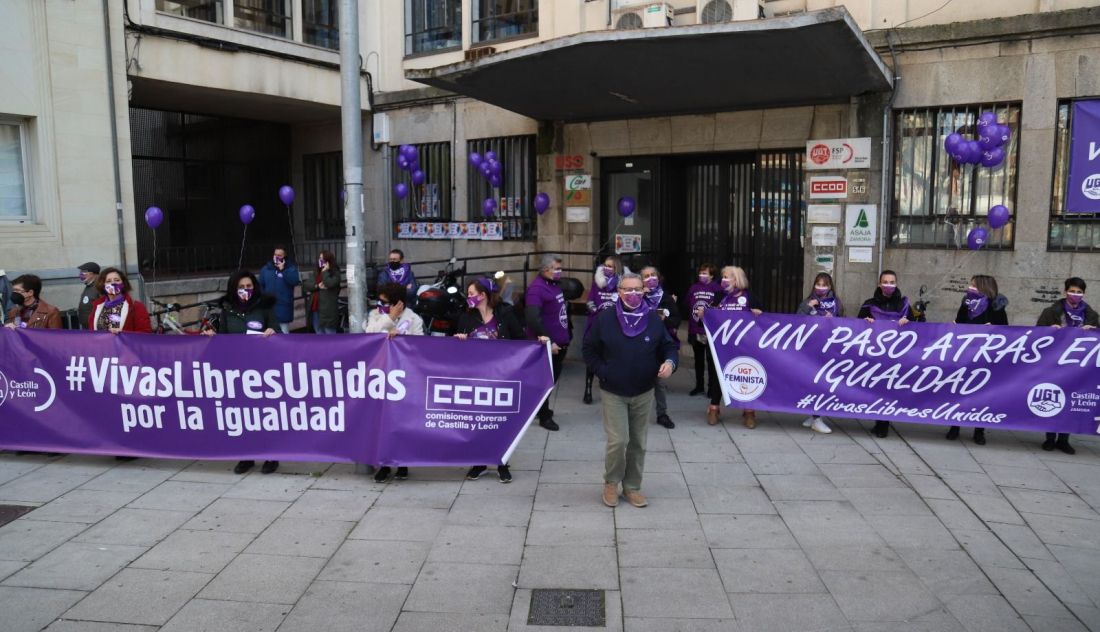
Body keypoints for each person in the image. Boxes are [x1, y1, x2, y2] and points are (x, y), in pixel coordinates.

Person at [583, 273, 677, 508]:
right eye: (628, 289)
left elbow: (668, 346)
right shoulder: (605, 319)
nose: (633, 294)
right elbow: (589, 348)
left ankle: (632, 487)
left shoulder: (653, 320)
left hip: (644, 391)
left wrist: (670, 363)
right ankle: (611, 484)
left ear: (643, 291)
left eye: (638, 289)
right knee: (618, 440)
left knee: (638, 442)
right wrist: (604, 371)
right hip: (613, 391)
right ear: (619, 292)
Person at [456, 277, 533, 484]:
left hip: (502, 378)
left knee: (500, 422)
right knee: (478, 423)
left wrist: (541, 344)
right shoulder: (466, 317)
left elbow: (520, 340)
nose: (469, 297)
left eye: (472, 294)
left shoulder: (505, 313)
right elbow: (454, 346)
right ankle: (479, 462)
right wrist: (460, 339)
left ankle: (502, 462)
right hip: (475, 380)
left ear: (483, 295)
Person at [203, 271, 279, 474]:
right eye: (241, 287)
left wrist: (272, 331)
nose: (246, 290)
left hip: (262, 369)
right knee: (243, 414)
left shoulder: (264, 307)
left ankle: (271, 455)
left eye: (249, 286)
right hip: (238, 370)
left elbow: (276, 329)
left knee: (264, 413)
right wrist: (213, 337)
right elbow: (225, 339)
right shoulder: (228, 311)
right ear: (233, 289)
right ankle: (247, 454)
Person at [365, 282, 425, 482]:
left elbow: (420, 347)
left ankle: (402, 463)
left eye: (385, 302)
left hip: (404, 379)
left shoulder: (413, 319)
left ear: (398, 303)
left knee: (402, 421)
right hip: (381, 377)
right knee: (382, 422)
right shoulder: (377, 315)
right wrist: (389, 318)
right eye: (379, 301)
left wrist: (402, 340)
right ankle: (383, 464)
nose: (380, 304)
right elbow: (368, 334)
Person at [857, 270, 923, 438]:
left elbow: (920, 326)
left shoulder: (904, 305)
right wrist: (866, 322)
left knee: (888, 388)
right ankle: (879, 422)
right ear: (879, 284)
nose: (888, 284)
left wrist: (909, 321)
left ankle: (883, 424)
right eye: (885, 281)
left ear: (896, 283)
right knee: (877, 388)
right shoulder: (869, 304)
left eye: (891, 281)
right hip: (875, 353)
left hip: (896, 355)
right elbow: (856, 325)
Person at [1036, 277, 1098, 455]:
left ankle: (1064, 439)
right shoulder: (1051, 311)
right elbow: (1038, 333)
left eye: (1079, 292)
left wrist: (1091, 330)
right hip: (1055, 363)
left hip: (1079, 365)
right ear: (1065, 291)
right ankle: (1049, 438)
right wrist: (1050, 329)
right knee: (1053, 398)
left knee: (1071, 400)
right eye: (1072, 291)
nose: (1075, 295)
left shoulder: (1091, 315)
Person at [947, 274, 1008, 445]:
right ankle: (954, 426)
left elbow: (1005, 331)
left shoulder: (996, 306)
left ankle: (979, 430)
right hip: (964, 355)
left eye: (973, 285)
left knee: (981, 394)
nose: (970, 288)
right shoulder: (966, 303)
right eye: (970, 285)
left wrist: (993, 329)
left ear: (983, 287)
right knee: (959, 391)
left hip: (984, 357)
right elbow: (959, 322)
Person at [705, 266, 763, 428]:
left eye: (727, 277)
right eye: (722, 276)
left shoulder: (750, 297)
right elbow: (707, 317)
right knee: (718, 375)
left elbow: (764, 320)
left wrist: (759, 314)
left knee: (745, 375)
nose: (723, 280)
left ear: (737, 279)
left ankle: (749, 411)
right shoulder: (718, 297)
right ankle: (714, 408)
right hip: (721, 345)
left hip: (744, 346)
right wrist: (706, 313)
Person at [525, 254, 571, 431]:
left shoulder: (554, 285)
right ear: (545, 270)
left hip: (560, 343)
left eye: (560, 268)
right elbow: (533, 318)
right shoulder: (537, 289)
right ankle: (544, 416)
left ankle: (539, 409)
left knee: (550, 380)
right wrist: (548, 342)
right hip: (548, 346)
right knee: (545, 381)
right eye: (556, 268)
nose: (559, 272)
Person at [796, 273, 842, 434]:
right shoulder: (807, 301)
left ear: (830, 287)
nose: (821, 287)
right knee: (812, 382)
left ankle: (817, 416)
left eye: (825, 284)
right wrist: (810, 306)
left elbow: (843, 323)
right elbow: (797, 318)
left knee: (822, 382)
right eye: (818, 284)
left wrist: (833, 319)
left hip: (828, 348)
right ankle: (814, 416)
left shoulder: (836, 303)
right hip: (810, 348)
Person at [641, 265, 680, 429]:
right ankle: (635, 414)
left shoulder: (665, 297)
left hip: (660, 345)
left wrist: (666, 320)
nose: (650, 278)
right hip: (640, 344)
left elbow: (677, 320)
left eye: (653, 275)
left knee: (659, 383)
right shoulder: (637, 296)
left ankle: (662, 414)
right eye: (646, 276)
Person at [583, 255, 622, 404]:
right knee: (592, 357)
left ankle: (609, 387)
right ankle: (587, 389)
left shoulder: (622, 284)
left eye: (611, 266)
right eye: (605, 265)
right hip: (596, 324)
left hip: (614, 325)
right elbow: (590, 301)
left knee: (610, 357)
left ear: (616, 268)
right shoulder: (597, 283)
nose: (607, 268)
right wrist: (596, 311)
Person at [686, 263, 720, 397]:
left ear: (712, 275)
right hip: (696, 328)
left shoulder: (717, 289)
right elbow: (687, 303)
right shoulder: (694, 288)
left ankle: (712, 388)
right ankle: (699, 386)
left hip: (710, 330)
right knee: (698, 360)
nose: (702, 275)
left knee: (711, 361)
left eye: (705, 273)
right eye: (701, 272)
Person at [88, 268, 152, 333]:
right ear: (103, 285)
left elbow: (145, 334)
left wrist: (123, 334)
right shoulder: (97, 307)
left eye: (117, 280)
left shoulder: (136, 306)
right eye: (108, 281)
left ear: (123, 284)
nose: (113, 283)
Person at [258, 246, 301, 334]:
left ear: (284, 256)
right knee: (268, 334)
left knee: (283, 333)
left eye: (279, 255)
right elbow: (260, 285)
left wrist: (283, 270)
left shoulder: (290, 268)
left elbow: (295, 281)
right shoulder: (266, 269)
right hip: (268, 306)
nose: (277, 257)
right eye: (275, 254)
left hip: (283, 306)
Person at [310, 250, 341, 334]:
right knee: (318, 332)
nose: (320, 261)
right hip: (315, 307)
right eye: (320, 258)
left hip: (328, 310)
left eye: (323, 259)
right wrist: (317, 286)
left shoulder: (335, 272)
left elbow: (329, 283)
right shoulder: (316, 271)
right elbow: (307, 285)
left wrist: (325, 272)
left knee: (329, 334)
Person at [77, 262, 102, 330]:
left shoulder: (100, 287)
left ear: (93, 273)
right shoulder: (89, 286)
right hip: (88, 328)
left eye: (84, 271)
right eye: (81, 271)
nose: (81, 274)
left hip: (97, 330)